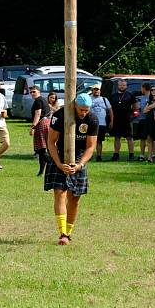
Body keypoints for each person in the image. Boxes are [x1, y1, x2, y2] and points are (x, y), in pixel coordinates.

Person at [44, 93, 98, 246]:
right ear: (74, 105)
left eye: (86, 110)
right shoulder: (59, 116)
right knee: (60, 194)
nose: (83, 113)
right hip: (60, 156)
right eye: (81, 110)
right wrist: (59, 163)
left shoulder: (92, 119)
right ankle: (62, 233)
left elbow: (91, 146)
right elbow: (51, 142)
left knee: (74, 199)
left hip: (79, 158)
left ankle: (68, 232)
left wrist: (80, 164)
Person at [109, 78, 137, 161]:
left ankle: (131, 155)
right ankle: (116, 154)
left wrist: (133, 116)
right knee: (117, 137)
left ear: (126, 86)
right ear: (118, 86)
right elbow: (110, 109)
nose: (122, 87)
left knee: (129, 137)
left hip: (127, 119)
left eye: (124, 85)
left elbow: (135, 107)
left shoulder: (130, 95)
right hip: (116, 119)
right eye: (120, 85)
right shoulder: (113, 96)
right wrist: (111, 120)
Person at [29, 86, 51, 176]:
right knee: (42, 150)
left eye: (34, 92)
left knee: (41, 149)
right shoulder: (43, 99)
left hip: (41, 124)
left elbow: (38, 113)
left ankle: (54, 164)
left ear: (39, 92)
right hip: (47, 123)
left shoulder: (38, 100)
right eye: (31, 92)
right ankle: (41, 172)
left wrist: (33, 126)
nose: (32, 94)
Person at [89, 83, 113, 161]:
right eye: (94, 89)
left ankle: (99, 156)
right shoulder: (89, 99)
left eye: (97, 89)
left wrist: (111, 121)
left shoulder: (104, 99)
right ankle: (89, 155)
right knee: (90, 140)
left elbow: (110, 111)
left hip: (102, 123)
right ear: (92, 90)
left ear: (100, 91)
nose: (96, 91)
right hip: (91, 123)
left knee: (99, 141)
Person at [135, 82, 151, 161]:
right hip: (141, 119)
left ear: (144, 88)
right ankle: (142, 155)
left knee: (148, 138)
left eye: (141, 88)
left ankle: (149, 155)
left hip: (148, 120)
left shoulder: (151, 98)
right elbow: (137, 109)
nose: (141, 89)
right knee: (143, 138)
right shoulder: (140, 98)